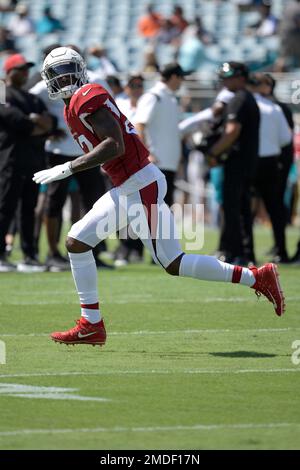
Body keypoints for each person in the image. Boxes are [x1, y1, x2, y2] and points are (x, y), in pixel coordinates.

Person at [33, 47, 285, 346]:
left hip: (138, 184)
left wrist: (68, 167)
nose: (63, 79)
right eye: (57, 74)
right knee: (82, 242)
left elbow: (115, 145)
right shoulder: (72, 105)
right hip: (132, 184)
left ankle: (256, 277)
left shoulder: (87, 96)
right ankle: (91, 323)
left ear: (80, 70)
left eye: (67, 71)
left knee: (170, 262)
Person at [0, 53, 56, 272]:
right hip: (9, 159)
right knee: (5, 207)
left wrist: (35, 123)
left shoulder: (32, 98)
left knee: (29, 210)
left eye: (26, 70)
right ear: (9, 71)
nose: (25, 73)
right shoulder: (3, 91)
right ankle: (1, 255)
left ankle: (29, 255)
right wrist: (35, 123)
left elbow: (49, 124)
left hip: (33, 161)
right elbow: (16, 120)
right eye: (20, 69)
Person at [204, 62, 260, 265]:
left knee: (232, 208)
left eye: (229, 77)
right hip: (247, 163)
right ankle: (245, 253)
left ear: (241, 77)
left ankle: (233, 252)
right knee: (243, 209)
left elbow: (231, 131)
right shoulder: (248, 98)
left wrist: (212, 152)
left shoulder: (238, 99)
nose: (225, 81)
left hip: (237, 163)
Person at [134, 63, 187, 207]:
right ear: (174, 77)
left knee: (164, 209)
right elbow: (139, 125)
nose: (182, 81)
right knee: (153, 210)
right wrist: (146, 154)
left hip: (167, 164)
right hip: (156, 164)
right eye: (181, 77)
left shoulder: (170, 98)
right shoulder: (154, 96)